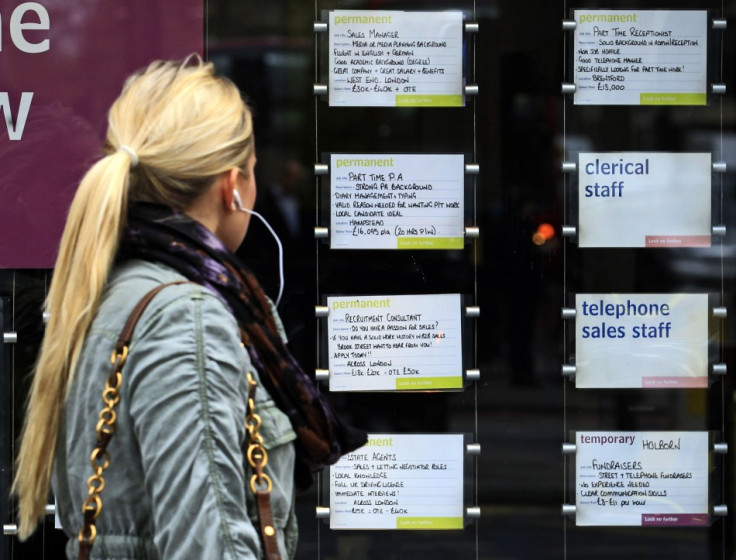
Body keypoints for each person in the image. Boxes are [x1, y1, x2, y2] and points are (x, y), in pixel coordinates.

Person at [11, 56, 365, 559]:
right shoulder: (185, 315)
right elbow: (207, 545)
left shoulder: (115, 286)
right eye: (253, 172)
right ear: (231, 187)